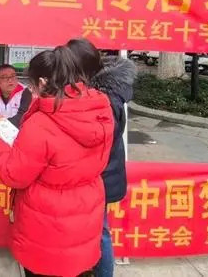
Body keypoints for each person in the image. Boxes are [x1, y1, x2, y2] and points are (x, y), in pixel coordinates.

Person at [0, 45, 114, 277]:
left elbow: (14, 174)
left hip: (47, 221)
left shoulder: (41, 124)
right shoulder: (100, 109)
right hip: (86, 211)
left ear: (43, 82)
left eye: (32, 85)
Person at [68, 40, 137, 277]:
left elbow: (97, 139)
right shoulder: (101, 91)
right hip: (98, 175)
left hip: (102, 177)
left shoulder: (105, 98)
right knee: (92, 230)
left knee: (100, 232)